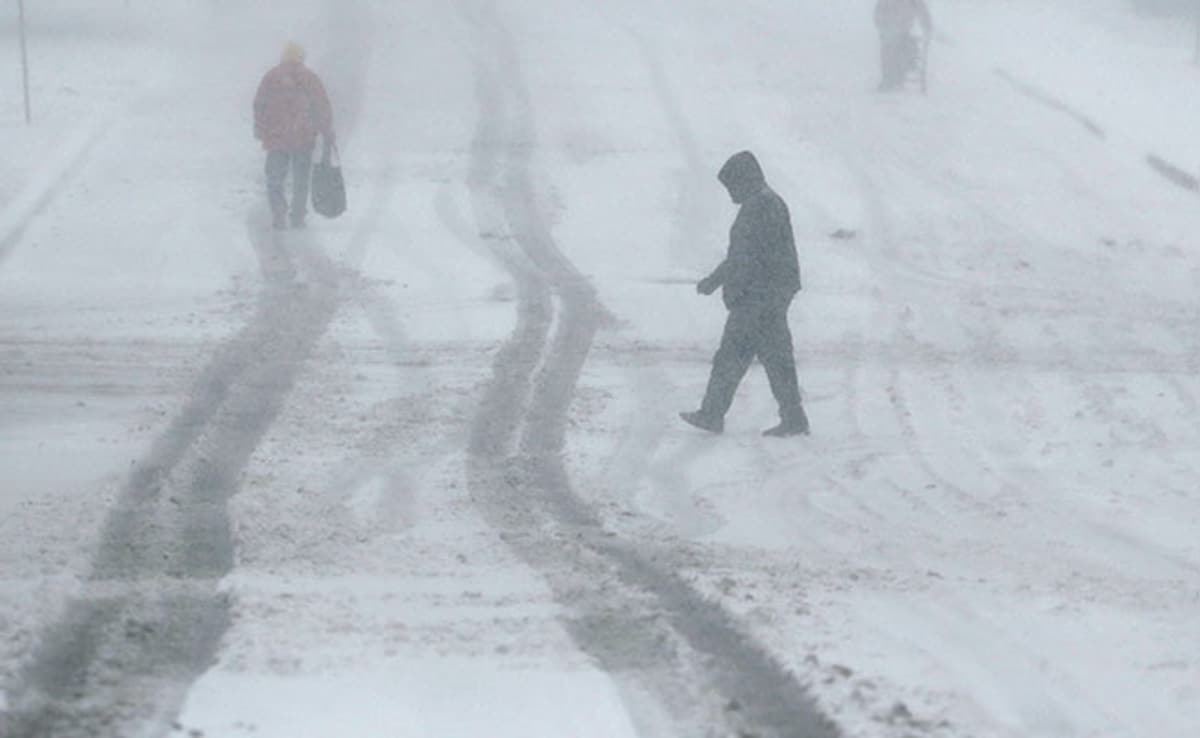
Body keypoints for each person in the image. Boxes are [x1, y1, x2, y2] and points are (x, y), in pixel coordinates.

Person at [680, 151, 810, 438]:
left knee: (732, 357)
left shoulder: (760, 206)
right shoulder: (766, 202)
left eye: (731, 186)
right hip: (768, 294)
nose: (730, 194)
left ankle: (712, 415)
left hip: (758, 297)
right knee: (775, 359)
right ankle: (793, 418)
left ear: (744, 180)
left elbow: (743, 256)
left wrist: (715, 281)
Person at [253, 42, 335, 230]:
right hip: (303, 139)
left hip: (276, 139)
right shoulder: (310, 78)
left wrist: (260, 128)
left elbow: (259, 105)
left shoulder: (271, 77)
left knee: (275, 179)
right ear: (301, 57)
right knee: (301, 181)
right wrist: (327, 130)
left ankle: (279, 214)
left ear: (283, 56)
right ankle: (298, 216)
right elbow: (322, 107)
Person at [874, 0, 932, 92]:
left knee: (903, 47)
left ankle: (897, 76)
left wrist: (927, 27)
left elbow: (922, 11)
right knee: (889, 47)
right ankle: (890, 78)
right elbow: (878, 12)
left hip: (904, 32)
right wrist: (882, 26)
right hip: (889, 31)